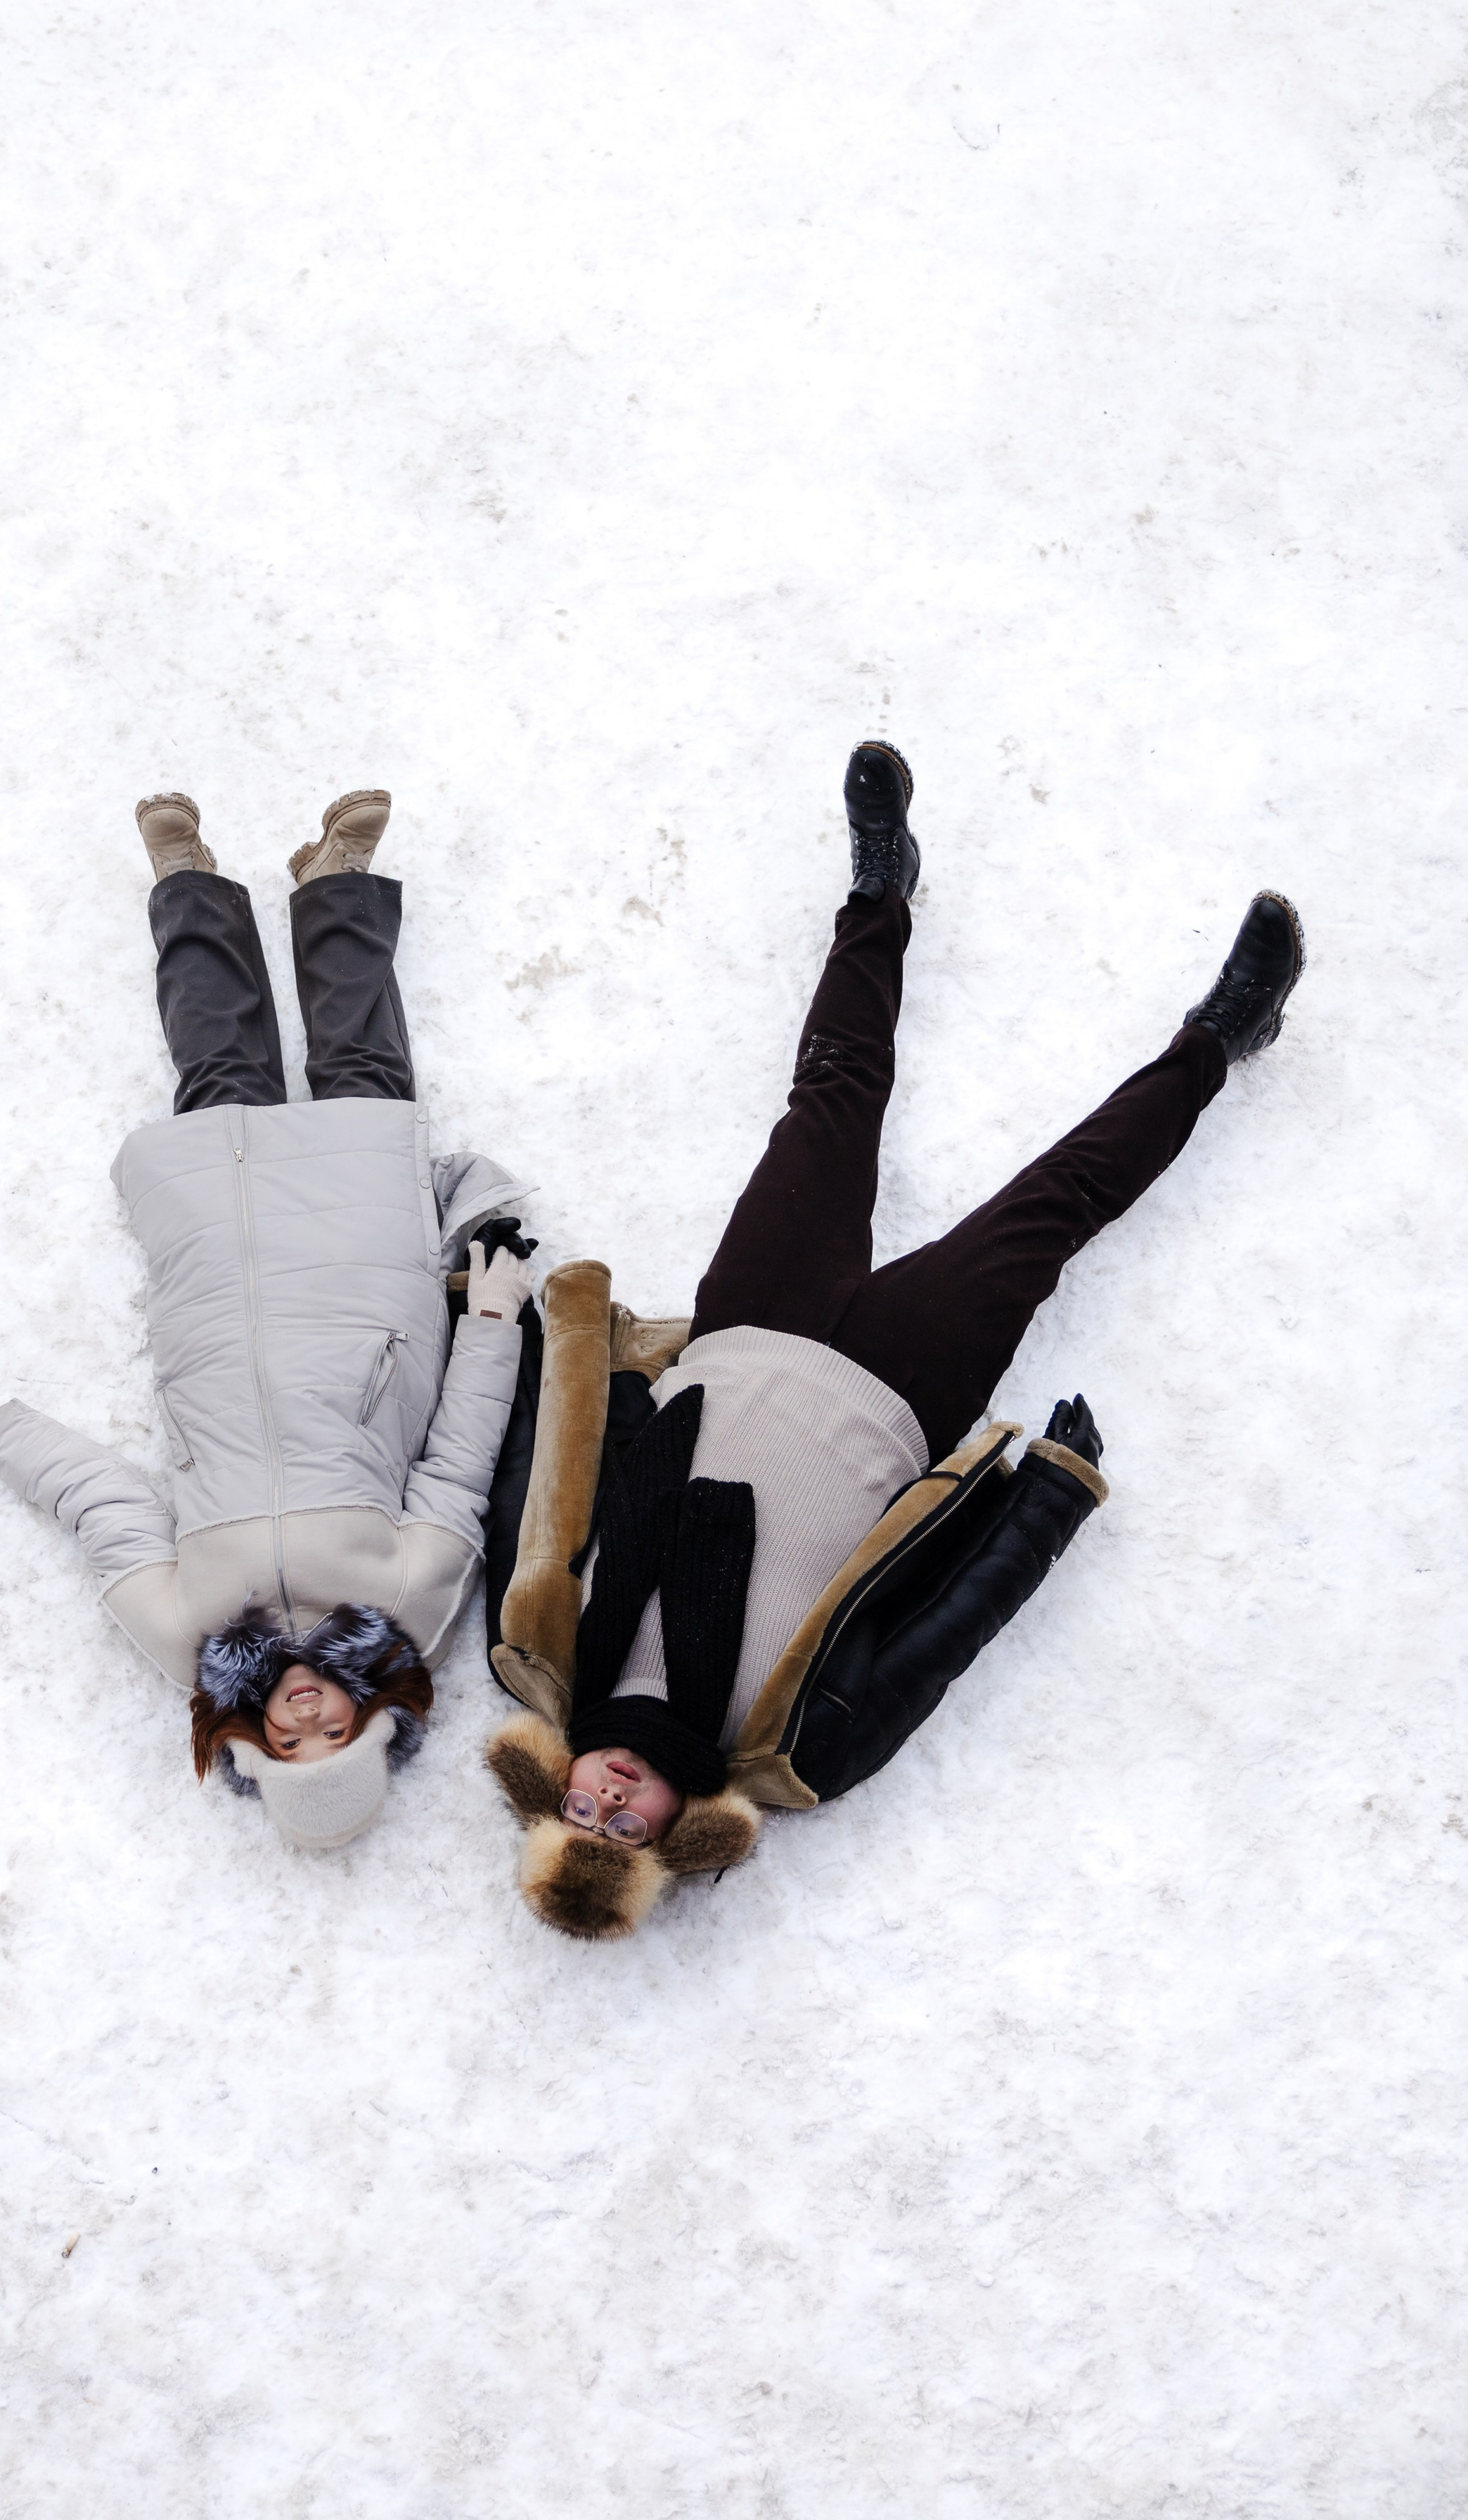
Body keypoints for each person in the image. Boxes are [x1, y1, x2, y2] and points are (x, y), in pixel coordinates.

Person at [482, 739, 1304, 1936]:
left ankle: (879, 892)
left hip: (743, 1329)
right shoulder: (793, 1746)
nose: (607, 1796)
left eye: (578, 1814)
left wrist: (505, 1325)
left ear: (549, 1791)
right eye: (629, 1826)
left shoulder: (546, 1649)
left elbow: (532, 1482)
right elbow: (940, 1634)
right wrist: (1052, 1499)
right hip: (895, 1390)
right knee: (1055, 1199)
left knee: (832, 1096)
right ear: (676, 1829)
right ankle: (1218, 1042)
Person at [0, 787, 534, 1849]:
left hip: (221, 1292)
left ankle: (186, 881)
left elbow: (107, 1510)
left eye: (292, 1746)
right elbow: (459, 1465)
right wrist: (488, 1321)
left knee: (217, 1078)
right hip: (362, 1303)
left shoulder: (186, 1634)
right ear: (376, 1721)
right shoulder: (412, 1617)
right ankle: (335, 880)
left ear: (249, 1737)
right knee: (364, 1077)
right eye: (338, 1736)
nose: (309, 1720)